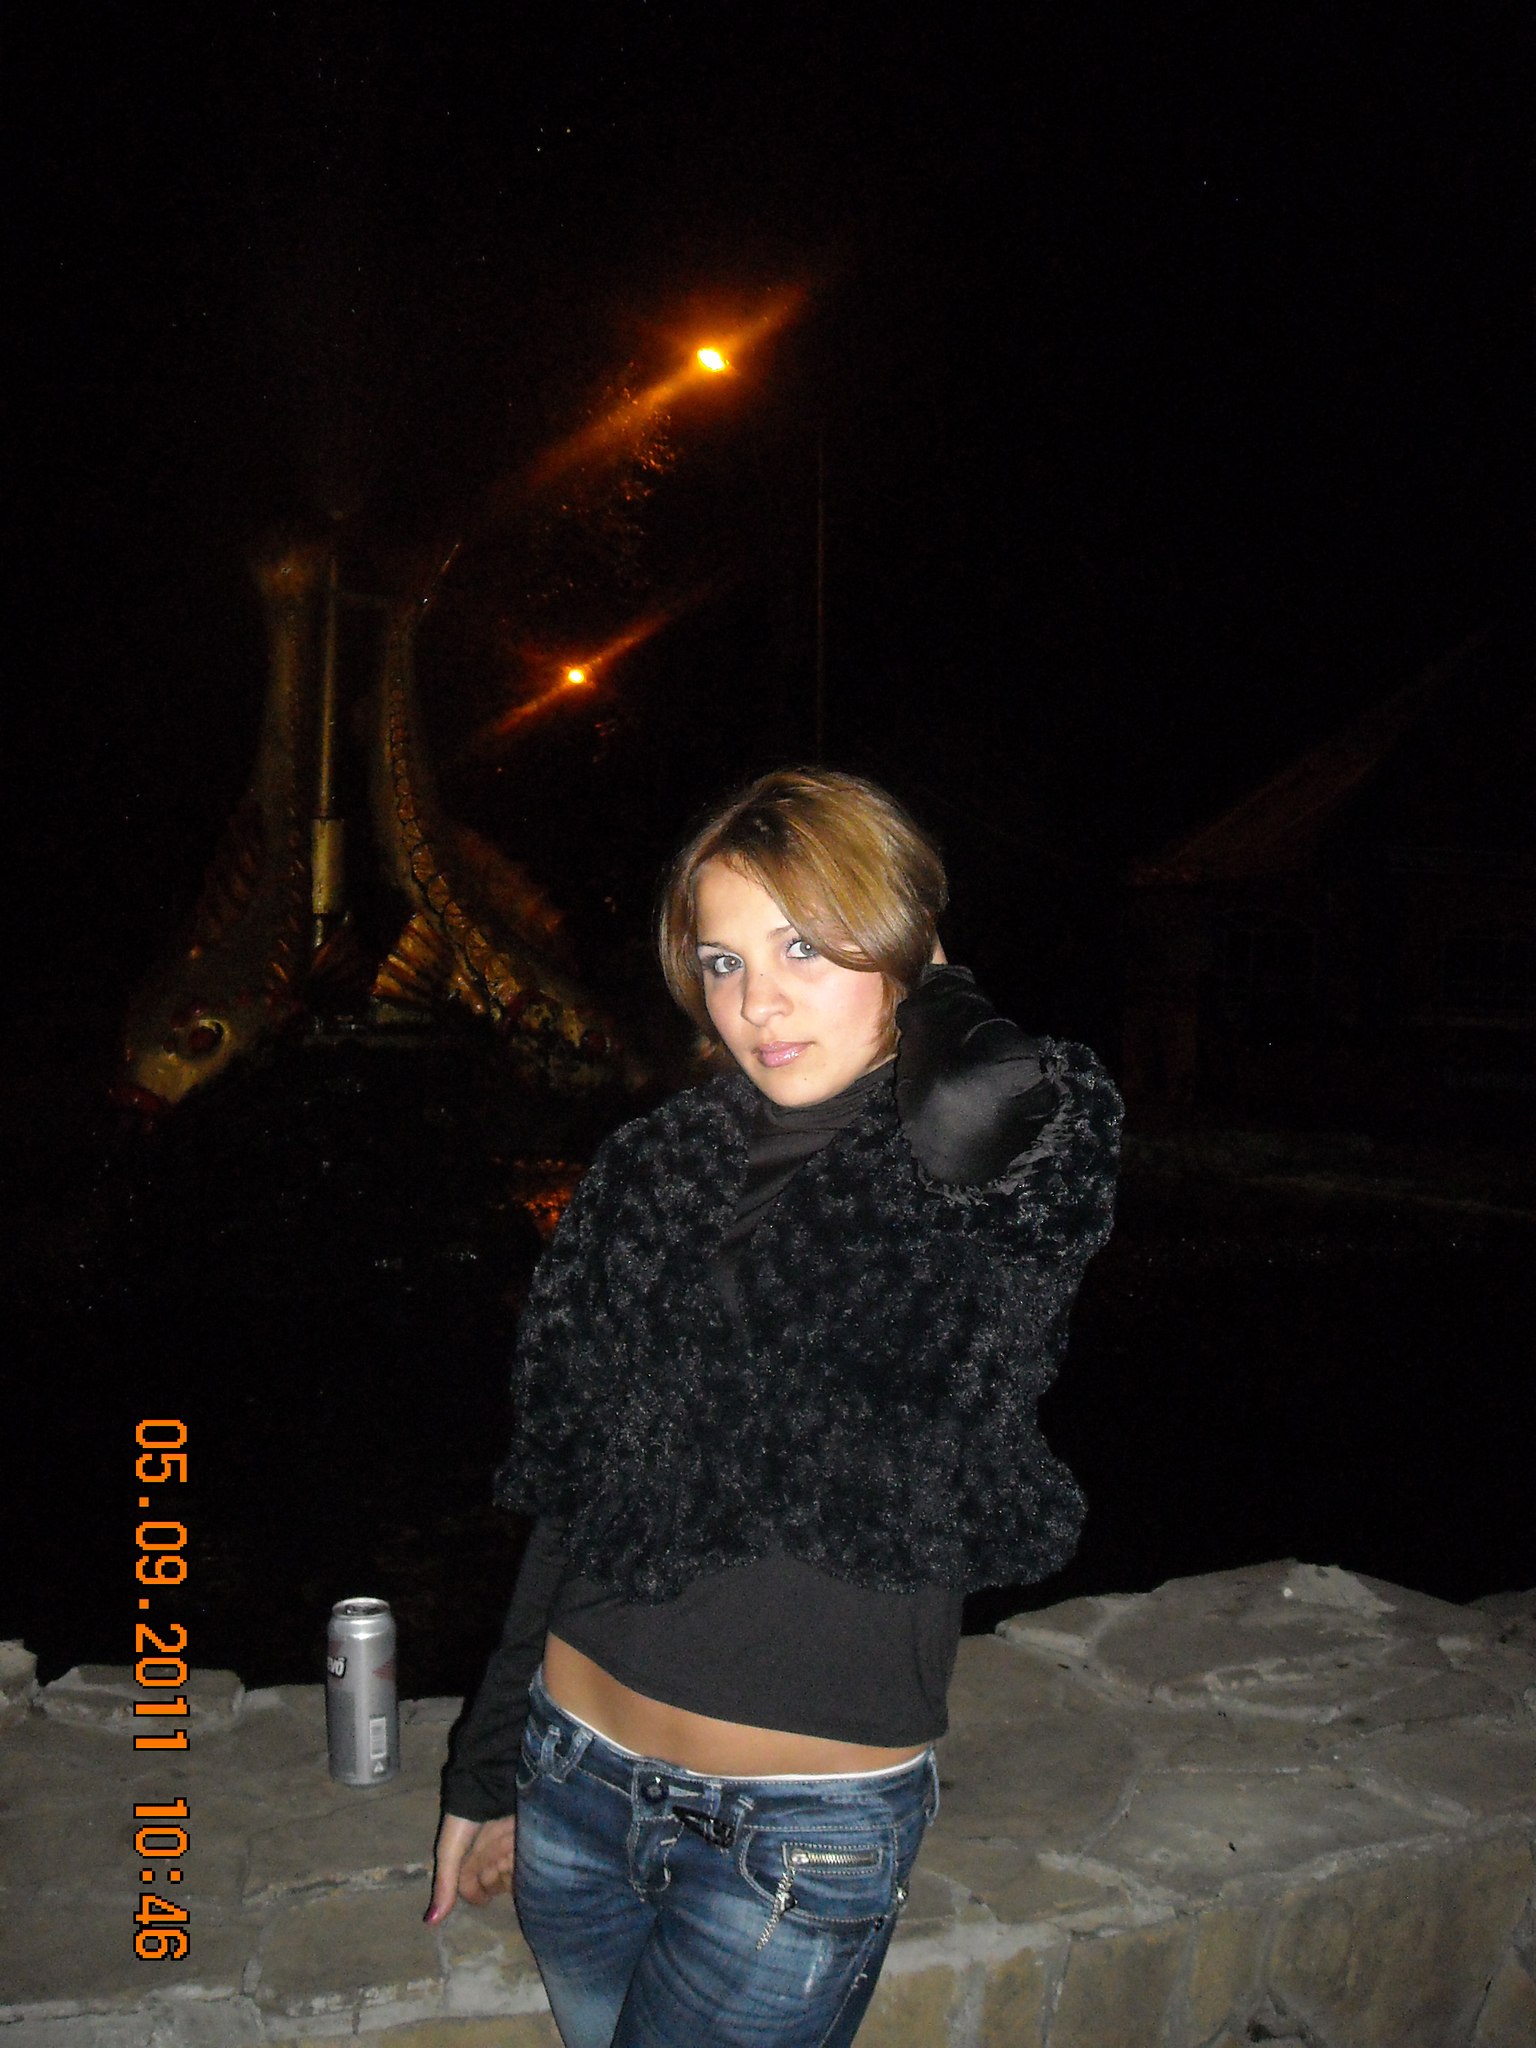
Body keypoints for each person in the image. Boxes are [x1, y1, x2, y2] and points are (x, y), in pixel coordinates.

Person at [425, 768, 1121, 2047]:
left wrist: (935, 988)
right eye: (723, 959)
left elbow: (997, 1122)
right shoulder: (650, 1168)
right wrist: (489, 1770)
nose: (758, 1000)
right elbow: (576, 1489)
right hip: (575, 1780)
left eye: (805, 945)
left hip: (798, 1833)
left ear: (907, 940)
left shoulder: (974, 1166)